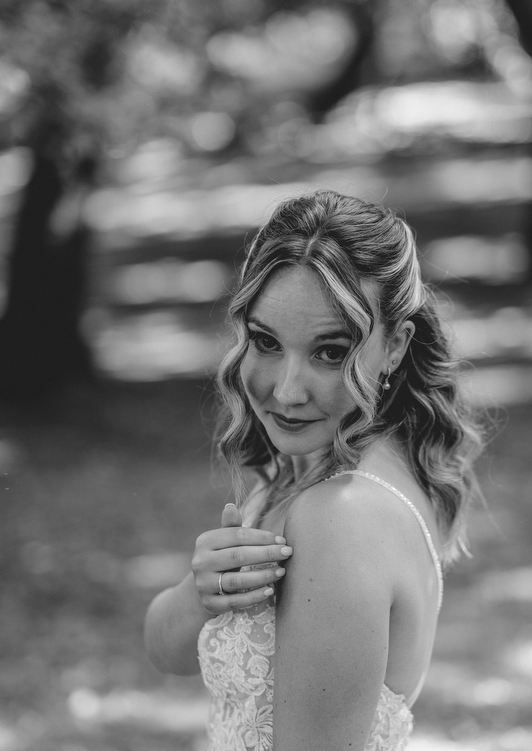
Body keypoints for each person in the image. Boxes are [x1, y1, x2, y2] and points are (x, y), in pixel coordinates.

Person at [144, 190, 483, 751]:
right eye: (266, 342)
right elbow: (163, 649)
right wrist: (199, 593)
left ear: (395, 346)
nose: (287, 391)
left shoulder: (342, 517)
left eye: (331, 352)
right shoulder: (309, 471)